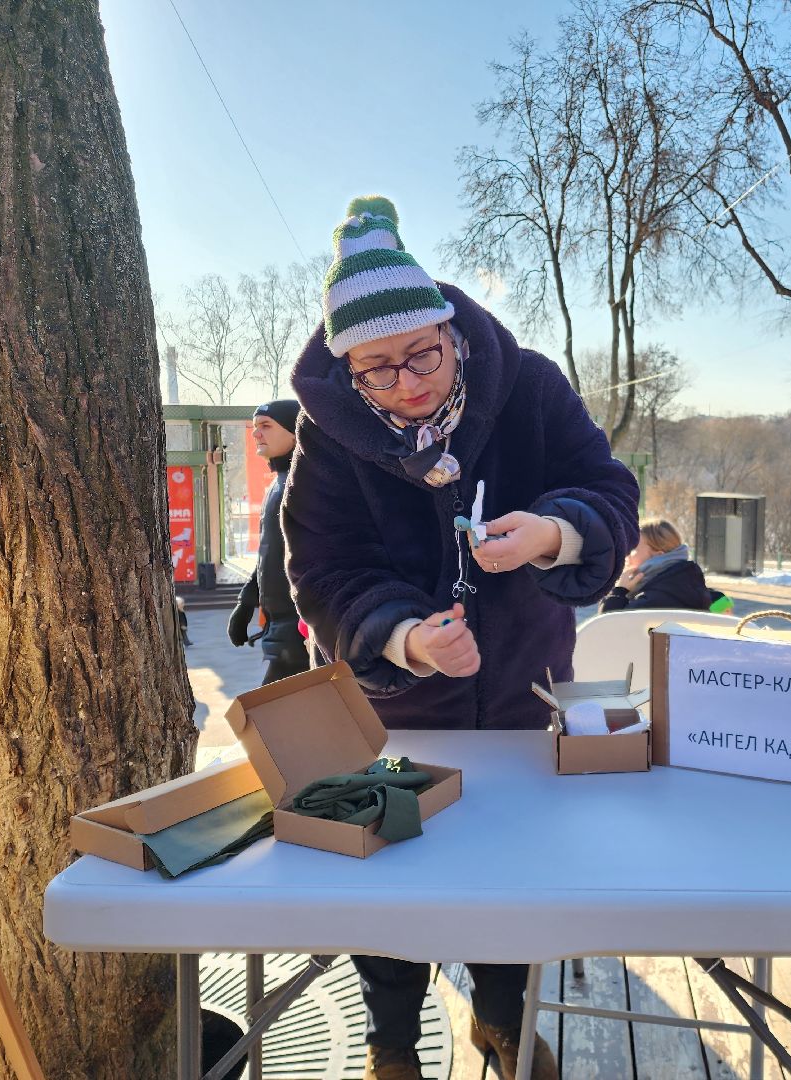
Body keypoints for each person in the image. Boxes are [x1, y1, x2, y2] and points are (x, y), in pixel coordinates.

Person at [283, 196, 638, 1080]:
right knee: (388, 881)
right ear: (346, 368)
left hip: (526, 695)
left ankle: (502, 1018)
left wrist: (552, 535)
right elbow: (321, 570)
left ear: (454, 332)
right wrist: (402, 637)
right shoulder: (328, 435)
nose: (407, 384)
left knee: (516, 881)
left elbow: (608, 490)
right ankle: (391, 1039)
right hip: (398, 720)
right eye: (377, 369)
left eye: (422, 356)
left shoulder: (532, 388)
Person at [227, 400, 309, 685]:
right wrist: (246, 603)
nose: (255, 434)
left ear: (295, 430)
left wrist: (304, 625)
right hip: (280, 627)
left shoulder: (307, 484)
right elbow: (270, 555)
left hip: (300, 629)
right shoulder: (278, 484)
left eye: (266, 426)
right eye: (255, 427)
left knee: (269, 721)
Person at [599, 518, 716, 612]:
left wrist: (619, 591)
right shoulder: (687, 583)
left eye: (633, 549)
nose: (627, 555)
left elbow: (607, 627)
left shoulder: (653, 599)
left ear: (658, 555)